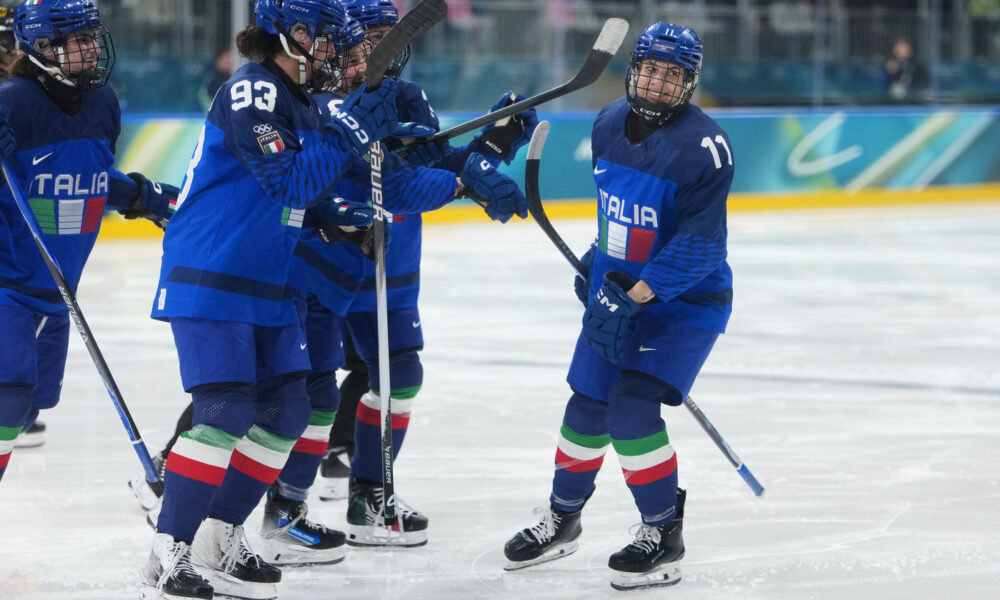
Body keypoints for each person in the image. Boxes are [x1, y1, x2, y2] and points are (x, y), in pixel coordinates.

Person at [136, 0, 401, 597]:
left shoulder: (301, 102)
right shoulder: (250, 91)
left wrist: (343, 214)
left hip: (269, 280)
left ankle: (218, 535)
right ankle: (168, 548)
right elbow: (290, 180)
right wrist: (351, 128)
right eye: (330, 40)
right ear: (296, 34)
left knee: (288, 412)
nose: (337, 52)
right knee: (227, 411)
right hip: (212, 274)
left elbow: (301, 197)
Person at [501, 22, 735, 591]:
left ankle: (663, 534)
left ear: (689, 83)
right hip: (620, 291)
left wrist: (631, 298)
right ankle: (563, 517)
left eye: (672, 74)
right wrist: (596, 263)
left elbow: (700, 246)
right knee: (586, 405)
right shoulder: (607, 124)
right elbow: (619, 214)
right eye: (651, 69)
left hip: (684, 301)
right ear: (634, 71)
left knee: (630, 411)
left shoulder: (706, 149)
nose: (657, 83)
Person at [315, 0, 538, 549]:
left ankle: (370, 496)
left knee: (399, 375)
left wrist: (491, 144)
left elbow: (429, 165)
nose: (381, 48)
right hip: (324, 263)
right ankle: (212, 478)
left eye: (388, 36)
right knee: (291, 381)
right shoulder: (320, 100)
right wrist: (466, 180)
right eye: (370, 37)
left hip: (391, 264)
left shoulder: (408, 95)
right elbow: (394, 183)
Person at [0, 0, 177, 486]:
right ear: (41, 47)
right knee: (9, 399)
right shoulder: (12, 102)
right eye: (77, 40)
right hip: (8, 282)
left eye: (90, 37)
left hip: (57, 293)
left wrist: (144, 197)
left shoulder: (102, 103)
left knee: (24, 411)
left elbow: (89, 177)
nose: (91, 48)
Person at [879, 37, 927, 103]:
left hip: (912, 96)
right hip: (890, 98)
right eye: (899, 48)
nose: (901, 50)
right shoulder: (889, 63)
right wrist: (888, 72)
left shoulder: (915, 64)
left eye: (904, 48)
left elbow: (924, 79)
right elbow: (882, 81)